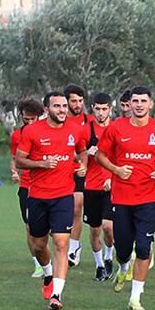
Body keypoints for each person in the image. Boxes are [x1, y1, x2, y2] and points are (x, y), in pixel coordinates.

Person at [96, 85, 155, 310]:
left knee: (144, 248)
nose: (139, 105)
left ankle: (135, 297)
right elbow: (100, 155)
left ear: (151, 104)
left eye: (143, 101)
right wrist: (116, 170)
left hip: (149, 197)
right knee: (122, 250)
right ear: (129, 104)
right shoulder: (116, 128)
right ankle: (122, 268)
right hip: (122, 197)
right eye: (135, 101)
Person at [16, 91, 87, 310]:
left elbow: (82, 151)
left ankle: (56, 294)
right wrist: (41, 164)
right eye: (57, 106)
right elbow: (19, 161)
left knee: (61, 243)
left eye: (64, 106)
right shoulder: (32, 131)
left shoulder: (75, 130)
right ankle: (48, 273)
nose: (62, 110)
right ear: (47, 109)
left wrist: (83, 165)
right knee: (39, 245)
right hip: (37, 196)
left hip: (64, 196)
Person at [11, 98, 46, 277]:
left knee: (52, 229)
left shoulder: (48, 132)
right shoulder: (17, 135)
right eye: (26, 119)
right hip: (26, 186)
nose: (30, 122)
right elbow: (14, 159)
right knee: (29, 226)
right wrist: (14, 171)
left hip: (48, 186)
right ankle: (38, 263)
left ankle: (57, 257)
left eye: (33, 119)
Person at [81, 93, 115, 281]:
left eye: (104, 109)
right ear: (92, 108)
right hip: (92, 186)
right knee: (94, 230)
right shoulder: (86, 131)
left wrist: (114, 177)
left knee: (108, 227)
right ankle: (100, 265)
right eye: (98, 109)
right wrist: (87, 153)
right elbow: (75, 155)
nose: (101, 113)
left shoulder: (117, 129)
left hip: (111, 186)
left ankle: (109, 257)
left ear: (110, 109)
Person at [63, 84, 96, 267]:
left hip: (84, 172)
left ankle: (74, 248)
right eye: (74, 101)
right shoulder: (60, 121)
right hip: (62, 171)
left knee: (77, 208)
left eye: (80, 101)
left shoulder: (90, 121)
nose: (77, 104)